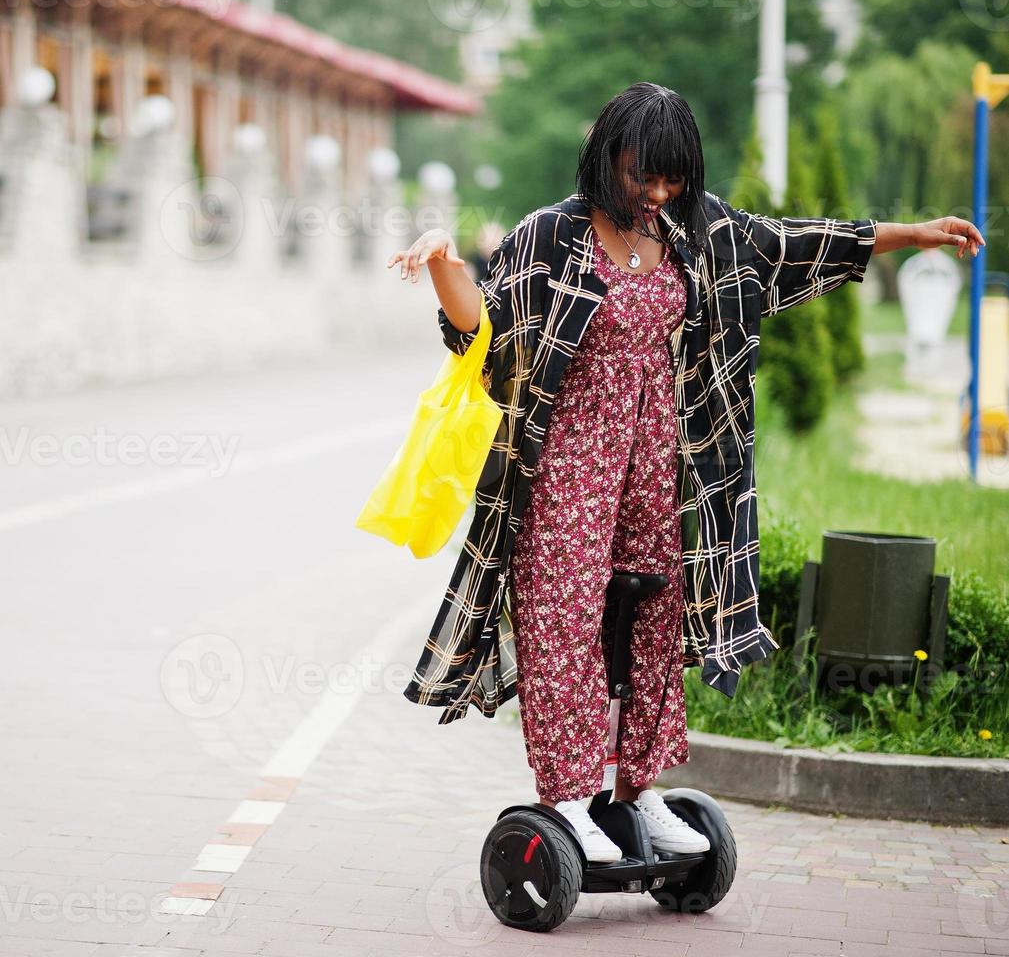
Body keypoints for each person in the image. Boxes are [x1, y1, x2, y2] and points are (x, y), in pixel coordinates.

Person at [386, 82, 983, 865]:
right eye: (641, 176)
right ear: (606, 161)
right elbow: (484, 330)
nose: (657, 193)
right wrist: (441, 261)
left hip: (661, 458)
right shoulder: (551, 236)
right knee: (561, 620)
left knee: (654, 617)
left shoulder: (698, 233)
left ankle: (637, 790)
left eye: (671, 178)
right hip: (567, 459)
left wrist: (913, 235)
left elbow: (793, 242)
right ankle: (567, 797)